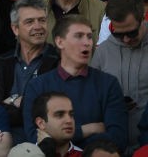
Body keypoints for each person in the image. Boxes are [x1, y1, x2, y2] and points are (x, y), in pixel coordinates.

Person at [22, 17, 126, 149]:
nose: (87, 43)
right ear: (60, 42)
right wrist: (86, 130)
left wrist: (63, 140)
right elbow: (34, 138)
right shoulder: (37, 86)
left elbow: (118, 139)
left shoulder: (108, 84)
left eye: (89, 37)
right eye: (79, 36)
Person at [0, 0, 60, 142]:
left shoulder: (58, 61)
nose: (38, 26)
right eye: (30, 22)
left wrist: (12, 101)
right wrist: (26, 103)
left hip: (45, 140)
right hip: (4, 139)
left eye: (42, 20)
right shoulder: (0, 64)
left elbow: (51, 111)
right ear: (15, 29)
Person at [90, 0, 148, 144]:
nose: (126, 39)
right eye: (119, 34)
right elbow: (92, 97)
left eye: (132, 32)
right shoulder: (102, 53)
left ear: (143, 18)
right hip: (113, 146)